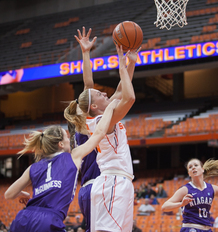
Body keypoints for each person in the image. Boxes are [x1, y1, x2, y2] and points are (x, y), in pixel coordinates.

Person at [64, 27, 139, 232]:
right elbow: (123, 95)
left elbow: (121, 90)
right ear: (92, 108)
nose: (104, 93)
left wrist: (130, 63)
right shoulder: (96, 121)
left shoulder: (104, 115)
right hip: (100, 182)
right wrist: (122, 64)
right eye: (99, 94)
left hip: (113, 181)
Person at [4, 99, 117, 232]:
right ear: (61, 144)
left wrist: (21, 193)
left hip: (22, 219)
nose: (70, 140)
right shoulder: (73, 156)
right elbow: (99, 133)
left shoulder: (33, 167)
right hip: (48, 220)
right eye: (67, 137)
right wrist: (110, 108)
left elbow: (8, 194)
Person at [66, 27, 100, 232]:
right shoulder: (84, 127)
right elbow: (88, 86)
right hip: (94, 185)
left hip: (96, 186)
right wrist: (86, 53)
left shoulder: (95, 124)